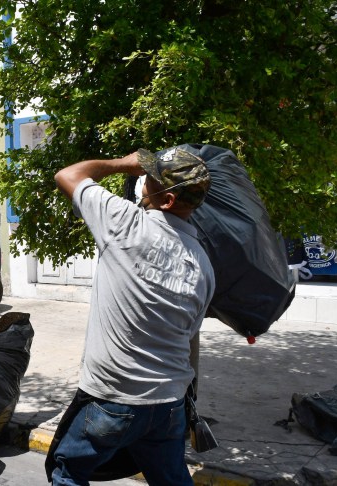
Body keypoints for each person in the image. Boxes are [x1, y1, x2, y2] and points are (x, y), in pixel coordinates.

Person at [46, 148, 215, 485]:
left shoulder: (124, 222)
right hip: (169, 404)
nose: (141, 179)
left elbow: (67, 175)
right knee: (171, 479)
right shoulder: (204, 265)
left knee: (67, 472)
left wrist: (122, 164)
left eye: (148, 177)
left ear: (166, 199)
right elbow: (190, 337)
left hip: (114, 399)